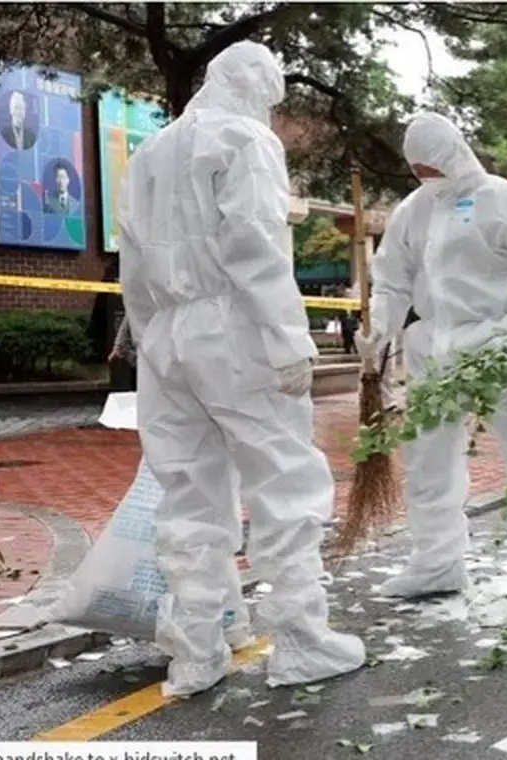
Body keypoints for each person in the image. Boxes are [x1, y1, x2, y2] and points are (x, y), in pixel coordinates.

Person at [117, 40, 364, 697]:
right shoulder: (244, 140)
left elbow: (133, 263)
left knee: (189, 493)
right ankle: (303, 643)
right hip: (233, 327)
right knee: (284, 478)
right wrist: (287, 337)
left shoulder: (152, 151)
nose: (273, 111)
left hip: (169, 334)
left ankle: (196, 654)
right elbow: (252, 242)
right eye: (272, 97)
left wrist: (153, 340)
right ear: (255, 85)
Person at [356, 111, 507, 600]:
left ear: (454, 154)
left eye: (433, 167)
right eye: (418, 169)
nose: (426, 178)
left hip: (497, 346)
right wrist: (379, 333)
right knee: (428, 462)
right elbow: (393, 278)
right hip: (434, 352)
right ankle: (436, 564)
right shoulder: (413, 211)